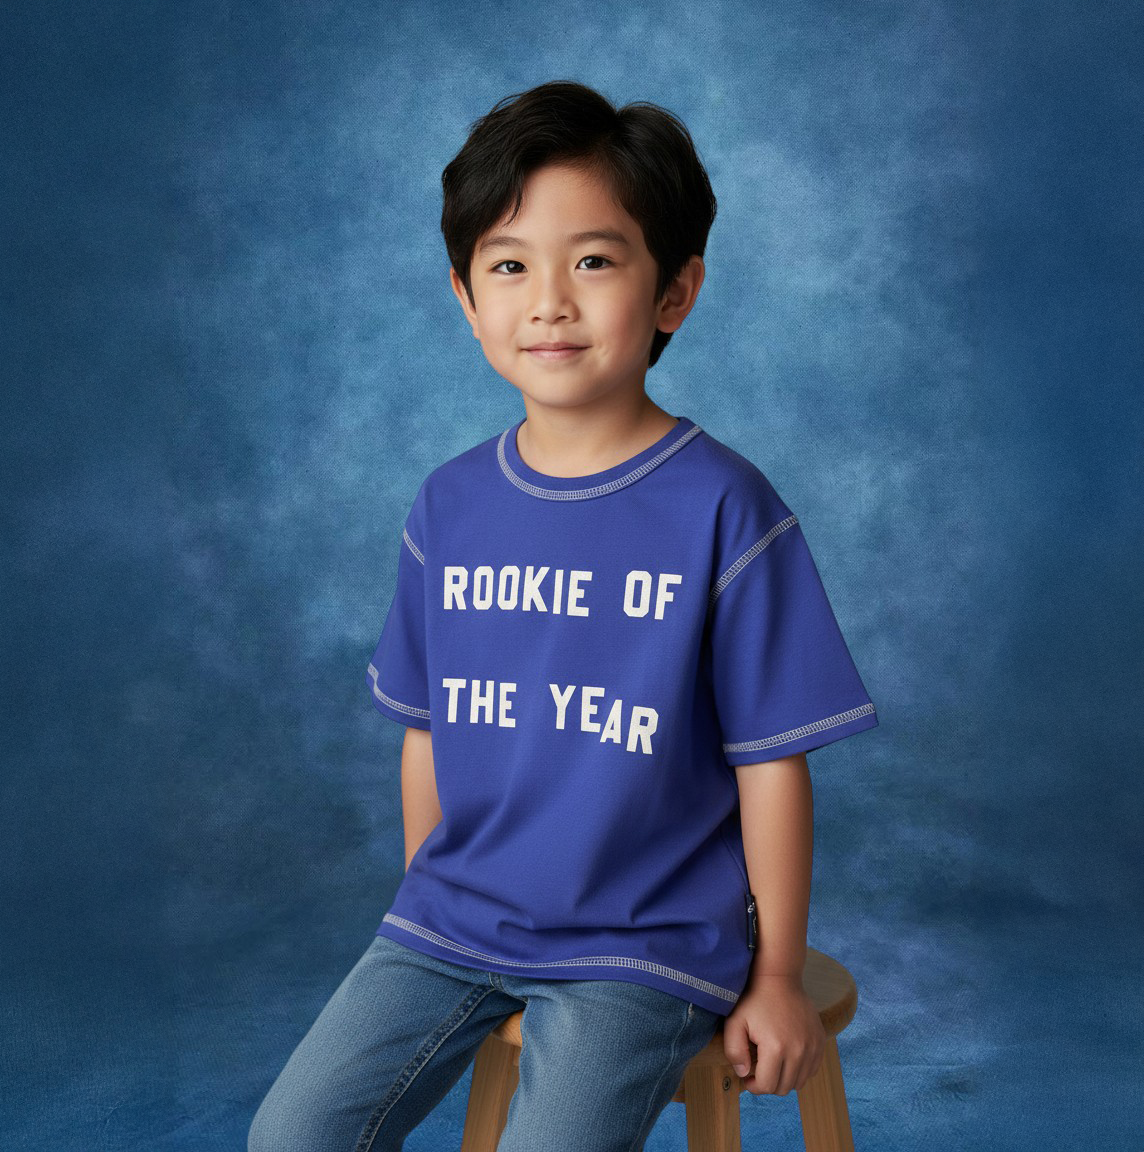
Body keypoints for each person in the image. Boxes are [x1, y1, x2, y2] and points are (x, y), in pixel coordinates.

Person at [249, 79, 878, 1152]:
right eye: (509, 265)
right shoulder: (449, 504)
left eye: (592, 260)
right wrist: (430, 897)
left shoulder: (725, 507)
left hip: (638, 941)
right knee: (292, 1137)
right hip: (456, 919)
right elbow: (426, 731)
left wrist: (773, 974)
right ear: (465, 299)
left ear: (674, 292)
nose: (548, 300)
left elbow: (773, 761)